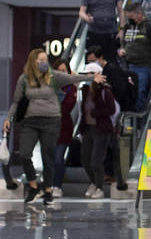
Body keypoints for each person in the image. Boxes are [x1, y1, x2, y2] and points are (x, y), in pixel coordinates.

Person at [3, 49, 99, 205]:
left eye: (45, 59)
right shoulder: (24, 79)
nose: (44, 62)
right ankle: (34, 185)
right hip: (30, 122)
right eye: (40, 60)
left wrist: (92, 77)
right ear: (33, 61)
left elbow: (73, 77)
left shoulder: (53, 76)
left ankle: (48, 190)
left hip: (51, 121)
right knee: (25, 154)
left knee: (49, 157)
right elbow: (16, 101)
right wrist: (8, 118)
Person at [78, 62, 120, 199]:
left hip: (102, 129)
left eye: (89, 74)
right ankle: (94, 182)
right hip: (88, 129)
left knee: (96, 160)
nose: (86, 77)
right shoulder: (85, 90)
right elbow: (83, 111)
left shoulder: (104, 91)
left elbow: (111, 109)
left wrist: (96, 113)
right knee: (85, 159)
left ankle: (100, 188)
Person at [118, 0, 151, 113]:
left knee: (140, 93)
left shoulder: (150, 26)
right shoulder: (128, 27)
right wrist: (122, 49)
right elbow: (124, 42)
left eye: (131, 17)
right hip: (128, 66)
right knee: (127, 94)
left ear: (139, 14)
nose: (130, 20)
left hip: (143, 66)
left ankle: (140, 122)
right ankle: (130, 122)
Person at [79, 0, 121, 64]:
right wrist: (87, 18)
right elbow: (81, 12)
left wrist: (122, 30)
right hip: (94, 32)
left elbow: (121, 11)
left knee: (111, 62)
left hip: (110, 32)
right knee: (92, 62)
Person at [50, 57, 78, 199]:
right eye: (58, 71)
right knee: (49, 159)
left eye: (64, 71)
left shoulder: (71, 88)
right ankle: (49, 186)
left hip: (64, 128)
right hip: (48, 129)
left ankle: (57, 186)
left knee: (58, 158)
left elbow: (66, 107)